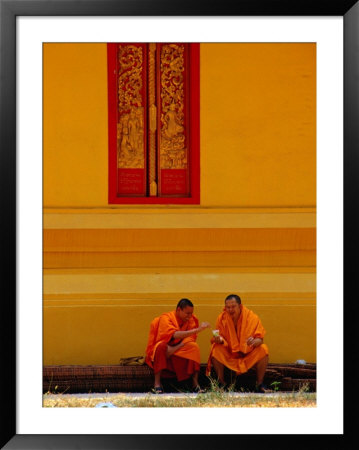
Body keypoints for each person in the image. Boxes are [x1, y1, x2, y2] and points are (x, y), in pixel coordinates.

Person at [206, 294, 271, 393]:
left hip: (247, 354)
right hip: (230, 355)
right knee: (216, 349)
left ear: (240, 306)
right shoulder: (222, 318)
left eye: (233, 307)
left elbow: (260, 339)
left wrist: (254, 342)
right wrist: (219, 339)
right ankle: (221, 383)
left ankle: (260, 384)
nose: (230, 310)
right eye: (228, 307)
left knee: (263, 349)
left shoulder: (251, 317)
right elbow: (221, 337)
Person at [145, 298, 211, 394]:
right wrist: (198, 329)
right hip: (167, 347)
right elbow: (174, 335)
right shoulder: (166, 318)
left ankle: (195, 384)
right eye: (187, 313)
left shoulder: (192, 319)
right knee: (160, 347)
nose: (189, 316)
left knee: (194, 347)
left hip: (179, 348)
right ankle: (157, 384)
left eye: (191, 313)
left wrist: (176, 348)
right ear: (179, 310)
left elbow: (190, 338)